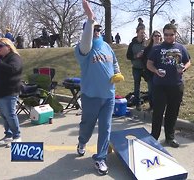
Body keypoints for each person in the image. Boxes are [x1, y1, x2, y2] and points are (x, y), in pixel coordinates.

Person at [74, 0, 123, 175]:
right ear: (87, 31)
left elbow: (115, 61)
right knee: (87, 126)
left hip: (108, 96)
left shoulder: (107, 46)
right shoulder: (82, 49)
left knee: (106, 127)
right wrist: (90, 18)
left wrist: (117, 72)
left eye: (98, 29)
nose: (96, 32)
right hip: (91, 96)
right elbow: (86, 42)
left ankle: (100, 158)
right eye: (93, 29)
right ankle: (82, 142)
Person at [147, 23, 191, 148]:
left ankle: (170, 137)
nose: (168, 37)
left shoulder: (181, 47)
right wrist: (156, 71)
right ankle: (154, 137)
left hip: (176, 85)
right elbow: (149, 64)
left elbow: (188, 62)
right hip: (160, 85)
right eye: (165, 34)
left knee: (173, 112)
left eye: (171, 34)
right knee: (158, 112)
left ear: (175, 34)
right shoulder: (157, 48)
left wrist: (183, 69)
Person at [0, 38, 23, 146]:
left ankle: (17, 136)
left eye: (0, 46)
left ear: (8, 46)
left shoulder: (14, 57)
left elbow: (12, 70)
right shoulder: (0, 58)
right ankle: (8, 135)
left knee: (10, 114)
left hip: (10, 90)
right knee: (3, 115)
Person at [126, 26, 147, 111]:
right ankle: (137, 103)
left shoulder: (146, 43)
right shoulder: (132, 44)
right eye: (141, 33)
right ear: (137, 33)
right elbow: (128, 56)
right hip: (136, 68)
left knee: (151, 84)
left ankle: (152, 102)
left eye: (144, 33)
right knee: (137, 86)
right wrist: (136, 56)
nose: (143, 34)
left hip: (145, 68)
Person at [141, 30, 163, 111]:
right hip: (150, 73)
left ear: (161, 37)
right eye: (155, 35)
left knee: (160, 92)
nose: (157, 37)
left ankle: (159, 107)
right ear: (152, 37)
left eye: (159, 35)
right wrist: (146, 71)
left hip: (160, 73)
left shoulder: (163, 48)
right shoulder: (148, 49)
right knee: (151, 91)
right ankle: (152, 106)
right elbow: (144, 61)